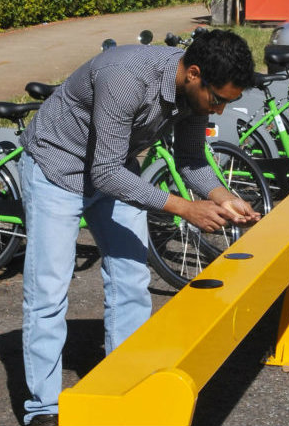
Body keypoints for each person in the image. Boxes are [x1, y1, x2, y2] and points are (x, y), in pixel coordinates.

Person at [17, 29, 259, 426]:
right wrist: (185, 208)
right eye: (216, 100)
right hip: (56, 170)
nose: (217, 111)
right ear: (194, 73)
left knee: (130, 277)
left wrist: (222, 196)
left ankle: (125, 385)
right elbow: (107, 172)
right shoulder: (126, 76)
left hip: (112, 171)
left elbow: (191, 159)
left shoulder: (194, 93)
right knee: (49, 291)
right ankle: (43, 409)